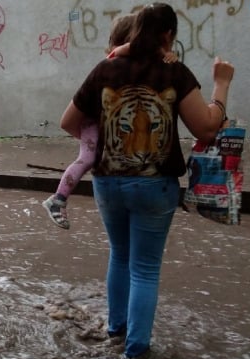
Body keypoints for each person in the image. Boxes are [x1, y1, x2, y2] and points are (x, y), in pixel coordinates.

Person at [59, 2, 234, 359]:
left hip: (108, 183)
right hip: (155, 188)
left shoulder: (105, 68)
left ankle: (115, 330)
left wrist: (98, 141)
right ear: (168, 35)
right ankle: (136, 352)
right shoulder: (175, 73)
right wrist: (221, 84)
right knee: (145, 268)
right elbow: (205, 126)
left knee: (120, 257)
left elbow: (67, 121)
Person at [42, 13, 177, 229]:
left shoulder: (123, 64)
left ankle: (59, 199)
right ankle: (58, 199)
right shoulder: (112, 63)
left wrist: (167, 54)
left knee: (88, 157)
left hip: (100, 131)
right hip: (92, 122)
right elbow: (67, 121)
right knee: (86, 158)